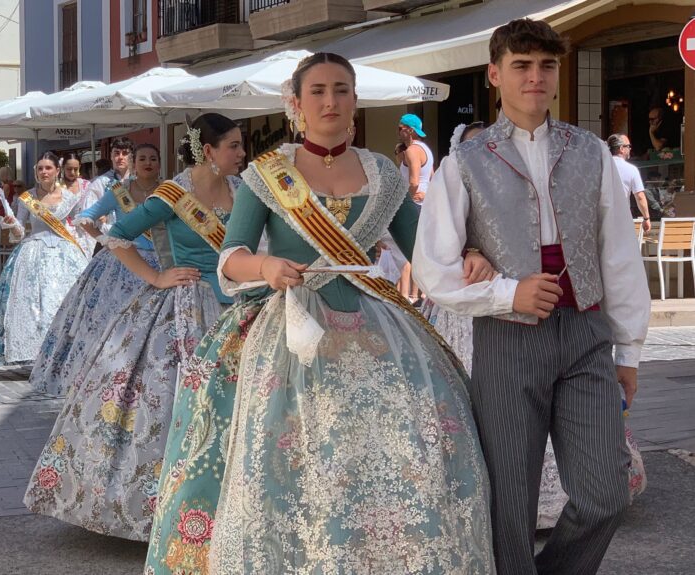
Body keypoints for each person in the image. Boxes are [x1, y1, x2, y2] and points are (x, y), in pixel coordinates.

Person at [155, 52, 494, 574]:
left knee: (406, 447)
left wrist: (468, 252)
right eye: (317, 91)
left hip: (378, 324)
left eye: (341, 89)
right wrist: (265, 265)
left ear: (355, 101)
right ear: (296, 104)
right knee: (299, 460)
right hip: (292, 329)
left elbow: (426, 251)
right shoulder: (268, 175)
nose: (330, 100)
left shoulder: (383, 173)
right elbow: (233, 256)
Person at [413, 19, 650, 574]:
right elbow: (432, 269)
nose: (535, 77)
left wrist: (630, 350)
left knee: (605, 493)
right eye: (521, 65)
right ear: (496, 75)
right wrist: (506, 293)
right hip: (507, 340)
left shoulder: (591, 152)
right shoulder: (464, 163)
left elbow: (617, 253)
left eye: (546, 66)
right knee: (509, 506)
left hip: (586, 333)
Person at [24, 114, 243, 542]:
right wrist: (159, 276)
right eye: (233, 145)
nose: (241, 153)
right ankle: (164, 511)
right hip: (187, 309)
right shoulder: (174, 194)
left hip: (236, 306)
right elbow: (118, 236)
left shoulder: (240, 190)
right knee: (173, 408)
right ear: (209, 151)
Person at [29, 145, 162, 397]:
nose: (148, 163)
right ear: (133, 163)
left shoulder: (169, 190)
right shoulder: (119, 192)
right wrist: (106, 241)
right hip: (123, 262)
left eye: (153, 158)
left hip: (162, 261)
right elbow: (86, 217)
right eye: (142, 158)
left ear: (159, 163)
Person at [0, 151, 90, 365]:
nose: (44, 172)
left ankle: (63, 352)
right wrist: (11, 223)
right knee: (30, 304)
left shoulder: (71, 197)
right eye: (40, 168)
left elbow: (78, 227)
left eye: (48, 168)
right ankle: (33, 353)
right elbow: (19, 231)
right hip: (32, 251)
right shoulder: (27, 197)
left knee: (61, 300)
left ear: (57, 170)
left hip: (65, 254)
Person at [421, 122, 489, 373]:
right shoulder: (449, 184)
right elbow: (439, 238)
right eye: (473, 146)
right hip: (460, 284)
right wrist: (470, 251)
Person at [396, 113, 433, 303]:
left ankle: (406, 295)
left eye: (400, 128)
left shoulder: (412, 151)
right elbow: (432, 177)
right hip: (424, 204)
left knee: (405, 252)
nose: (398, 132)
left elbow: (413, 182)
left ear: (409, 130)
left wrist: (404, 201)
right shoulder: (425, 149)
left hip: (412, 205)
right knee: (418, 251)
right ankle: (417, 293)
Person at [85, 138, 133, 255]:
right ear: (111, 156)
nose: (120, 157)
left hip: (136, 241)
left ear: (132, 157)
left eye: (125, 153)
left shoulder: (138, 181)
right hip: (108, 242)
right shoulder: (101, 182)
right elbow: (86, 218)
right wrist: (102, 238)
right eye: (116, 153)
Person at [607, 134, 651, 231]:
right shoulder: (631, 169)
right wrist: (646, 218)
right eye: (628, 146)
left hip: (601, 218)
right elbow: (640, 197)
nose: (630, 149)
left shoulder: (599, 167)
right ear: (621, 148)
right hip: (621, 218)